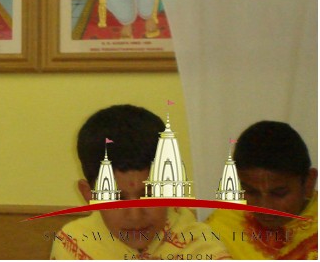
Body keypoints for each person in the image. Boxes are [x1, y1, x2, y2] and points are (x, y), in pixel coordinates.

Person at [51, 104, 230, 259]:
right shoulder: (74, 244)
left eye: (149, 195)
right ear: (88, 194)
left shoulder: (200, 245)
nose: (135, 216)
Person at [206, 121, 317, 259]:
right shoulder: (223, 224)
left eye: (279, 193)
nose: (264, 207)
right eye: (251, 192)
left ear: (308, 182)